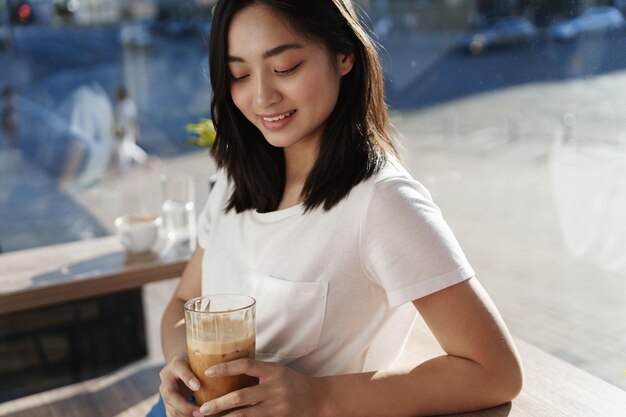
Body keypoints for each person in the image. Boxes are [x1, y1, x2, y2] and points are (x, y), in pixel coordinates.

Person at [150, 1, 523, 416]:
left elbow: (495, 372)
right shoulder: (235, 182)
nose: (262, 96)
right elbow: (185, 300)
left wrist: (320, 397)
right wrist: (181, 367)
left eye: (286, 66)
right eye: (239, 74)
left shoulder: (382, 202)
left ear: (344, 55)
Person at [113, 85, 149, 172]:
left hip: (128, 131)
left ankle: (146, 160)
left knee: (127, 148)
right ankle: (122, 169)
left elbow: (131, 120)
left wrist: (134, 131)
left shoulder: (127, 105)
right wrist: (117, 134)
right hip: (122, 132)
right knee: (126, 149)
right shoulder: (120, 106)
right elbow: (118, 123)